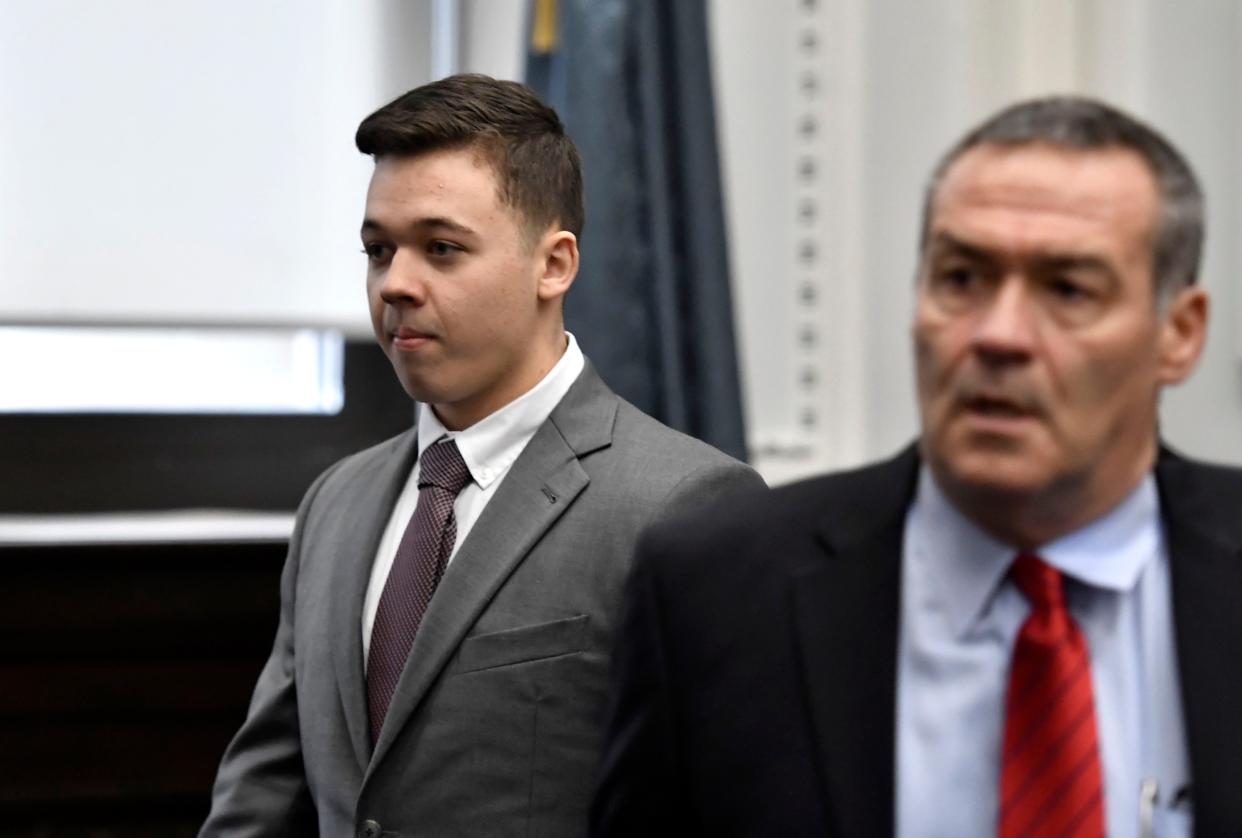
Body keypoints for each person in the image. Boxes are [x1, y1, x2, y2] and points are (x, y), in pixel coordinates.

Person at [593, 96, 1241, 838]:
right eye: (962, 278)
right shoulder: (716, 593)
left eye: (1068, 290)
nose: (998, 335)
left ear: (1179, 335)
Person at [200, 73, 762, 837]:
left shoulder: (687, 504)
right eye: (377, 250)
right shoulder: (336, 502)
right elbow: (267, 797)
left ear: (554, 264)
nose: (396, 284)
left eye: (441, 248)